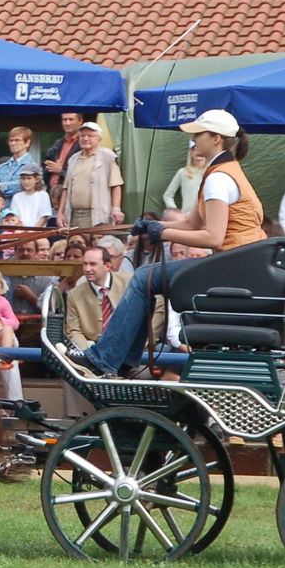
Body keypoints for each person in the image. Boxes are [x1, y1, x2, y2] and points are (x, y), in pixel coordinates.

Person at [84, 110, 264, 377]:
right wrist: (154, 226)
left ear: (216, 139)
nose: (192, 139)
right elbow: (192, 224)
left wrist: (162, 233)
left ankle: (108, 358)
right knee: (144, 278)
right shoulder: (222, 171)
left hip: (231, 267)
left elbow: (212, 237)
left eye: (198, 134)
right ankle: (119, 359)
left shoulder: (218, 178)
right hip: (238, 264)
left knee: (143, 278)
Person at [57, 245, 130, 418]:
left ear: (107, 265)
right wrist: (90, 353)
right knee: (68, 367)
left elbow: (157, 307)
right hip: (92, 351)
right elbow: (73, 330)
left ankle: (132, 418)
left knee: (145, 371)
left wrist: (147, 339)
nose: (87, 269)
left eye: (93, 264)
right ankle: (74, 419)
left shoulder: (130, 282)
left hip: (128, 351)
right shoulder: (75, 294)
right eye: (85, 264)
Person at [58, 121, 125, 229]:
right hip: (73, 215)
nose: (85, 139)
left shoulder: (107, 156)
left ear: (99, 139)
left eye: (90, 136)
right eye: (82, 136)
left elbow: (116, 185)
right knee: (75, 244)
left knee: (96, 243)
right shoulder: (73, 159)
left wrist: (116, 208)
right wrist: (60, 213)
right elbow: (66, 188)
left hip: (97, 215)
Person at [0, 127, 38, 198]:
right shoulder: (2, 167)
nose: (13, 143)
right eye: (11, 141)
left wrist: (2, 186)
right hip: (2, 208)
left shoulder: (32, 167)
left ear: (27, 143)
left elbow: (23, 187)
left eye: (17, 140)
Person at [162, 145, 207, 217]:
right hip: (188, 218)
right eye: (194, 149)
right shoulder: (183, 172)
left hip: (208, 217)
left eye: (200, 149)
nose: (198, 152)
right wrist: (177, 214)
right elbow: (168, 195)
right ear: (191, 152)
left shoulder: (213, 172)